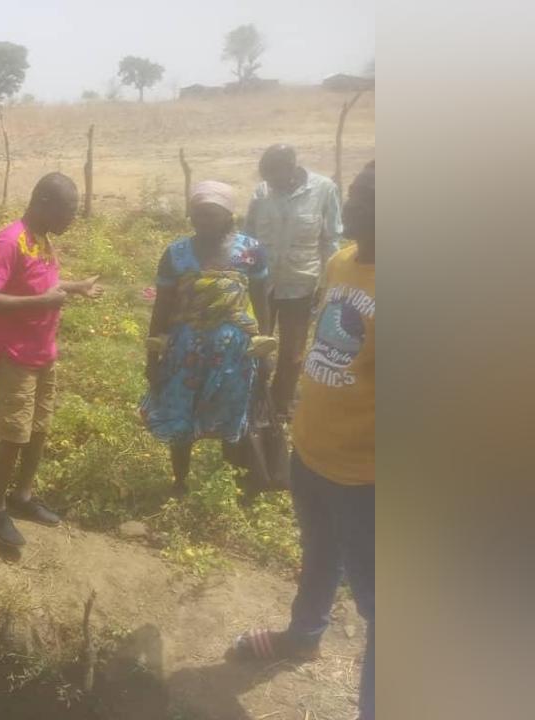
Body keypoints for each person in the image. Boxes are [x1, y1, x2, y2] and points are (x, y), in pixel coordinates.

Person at [230, 161, 375, 720]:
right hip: (312, 456)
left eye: (370, 199)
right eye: (356, 194)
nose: (352, 207)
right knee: (319, 553)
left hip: (367, 478)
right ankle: (304, 634)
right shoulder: (342, 262)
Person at [0, 172, 103, 547]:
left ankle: (23, 496)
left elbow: (43, 285)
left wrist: (74, 287)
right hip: (15, 354)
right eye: (69, 210)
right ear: (44, 204)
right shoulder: (9, 240)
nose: (72, 219)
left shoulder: (41, 240)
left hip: (42, 351)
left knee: (39, 428)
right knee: (14, 434)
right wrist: (43, 303)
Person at [140, 181, 274, 495]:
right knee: (180, 415)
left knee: (231, 415)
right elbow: (162, 307)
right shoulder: (176, 254)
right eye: (198, 214)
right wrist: (152, 358)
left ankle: (229, 484)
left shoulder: (250, 252)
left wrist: (265, 351)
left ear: (228, 215)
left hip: (233, 353)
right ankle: (180, 482)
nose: (203, 221)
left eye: (211, 215)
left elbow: (261, 302)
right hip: (184, 350)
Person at [243, 144, 343, 419]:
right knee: (254, 343)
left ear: (291, 167)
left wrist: (329, 281)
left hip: (301, 282)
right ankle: (251, 399)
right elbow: (248, 235)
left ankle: (280, 404)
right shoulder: (262, 193)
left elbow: (331, 239)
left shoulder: (323, 190)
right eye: (267, 177)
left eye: (276, 175)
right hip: (261, 283)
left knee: (292, 352)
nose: (271, 182)